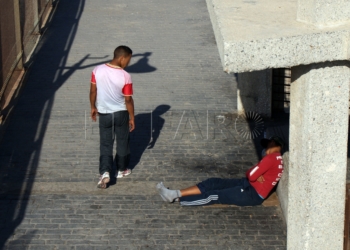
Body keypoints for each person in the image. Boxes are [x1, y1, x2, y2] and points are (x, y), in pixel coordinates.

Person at [156, 136, 284, 206]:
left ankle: (178, 199)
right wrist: (257, 175)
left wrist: (256, 174)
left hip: (252, 194)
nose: (266, 148)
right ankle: (174, 193)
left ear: (273, 143)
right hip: (248, 185)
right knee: (214, 183)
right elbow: (254, 175)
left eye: (267, 145)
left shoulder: (271, 158)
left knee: (215, 195)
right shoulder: (275, 159)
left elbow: (250, 174)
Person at [89, 45, 135, 189]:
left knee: (106, 143)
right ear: (122, 57)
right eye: (128, 59)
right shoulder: (125, 75)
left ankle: (105, 172)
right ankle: (121, 170)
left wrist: (93, 107)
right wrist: (132, 117)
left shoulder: (97, 70)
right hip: (121, 113)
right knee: (122, 141)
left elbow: (92, 91)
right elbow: (128, 99)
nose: (128, 62)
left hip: (104, 114)